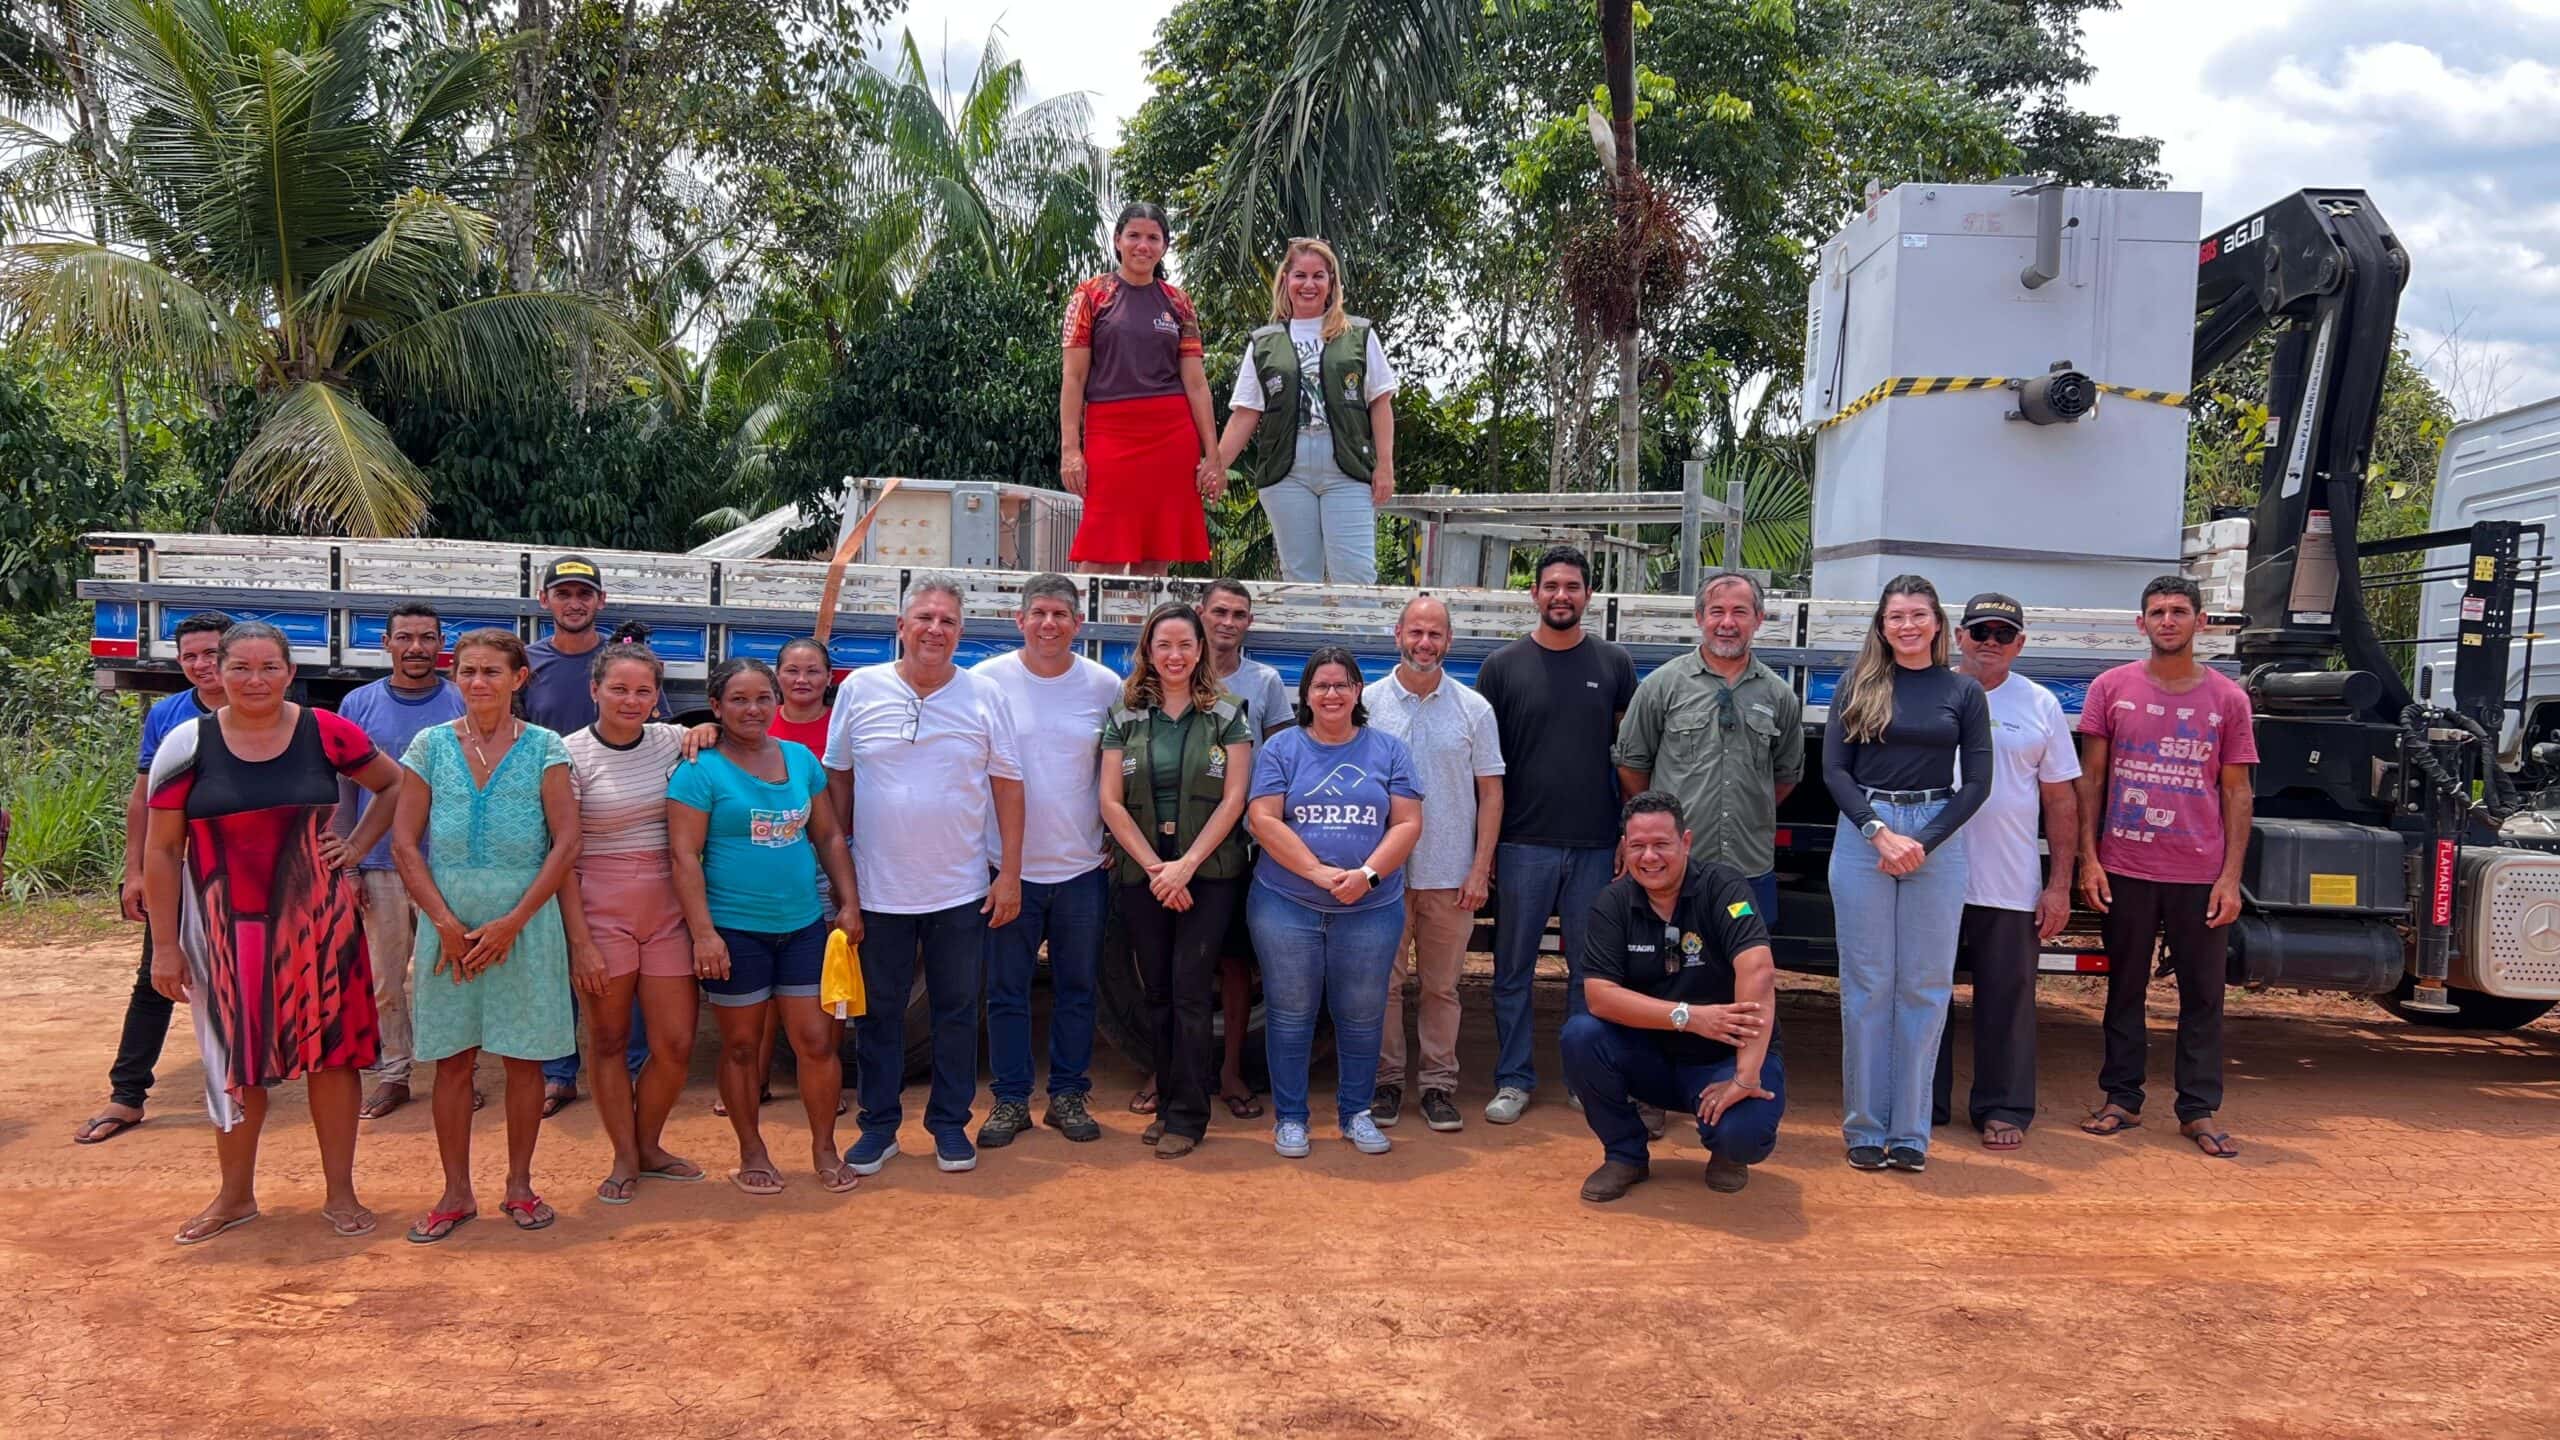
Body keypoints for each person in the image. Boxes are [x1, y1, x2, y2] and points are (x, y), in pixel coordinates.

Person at [139, 622, 407, 1244]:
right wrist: (167, 944)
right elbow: (161, 852)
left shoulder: (326, 730)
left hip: (321, 924)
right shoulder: (187, 743)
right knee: (235, 1061)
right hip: (223, 931)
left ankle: (341, 1194)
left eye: (268, 668)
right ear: (216, 673)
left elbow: (393, 783)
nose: (254, 681)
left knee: (332, 1057)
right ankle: (234, 1197)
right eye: (241, 668)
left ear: (291, 673)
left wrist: (360, 843)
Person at [825, 576, 1025, 1177]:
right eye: (925, 618)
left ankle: (948, 1127)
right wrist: (845, 877)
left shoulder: (985, 696)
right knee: (878, 1013)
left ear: (960, 633)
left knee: (958, 1012)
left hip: (960, 890)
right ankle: (879, 1127)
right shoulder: (860, 689)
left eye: (947, 621)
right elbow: (839, 777)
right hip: (879, 890)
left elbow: (1009, 790)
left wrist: (1009, 873)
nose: (935, 630)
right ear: (902, 627)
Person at [385, 629, 579, 1242]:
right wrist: (443, 924)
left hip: (525, 922)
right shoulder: (430, 746)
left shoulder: (545, 747)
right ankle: (454, 1192)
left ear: (518, 678)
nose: (478, 683)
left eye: (492, 672)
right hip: (450, 929)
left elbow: (566, 842)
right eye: (467, 671)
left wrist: (513, 922)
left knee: (524, 1061)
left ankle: (519, 1185)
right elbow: (404, 844)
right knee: (453, 1062)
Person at [2075, 575, 2257, 1159]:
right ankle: (2121, 1099)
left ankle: (2197, 1109)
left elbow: (2236, 792)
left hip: (2199, 873)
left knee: (2203, 995)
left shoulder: (2228, 699)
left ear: (2201, 622)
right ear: (2141, 623)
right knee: (2123, 988)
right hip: (2125, 865)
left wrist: (2230, 878)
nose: (2168, 620)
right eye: (2157, 612)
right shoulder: (2111, 688)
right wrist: (2090, 858)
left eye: (2180, 611)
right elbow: (2092, 781)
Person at [669, 657, 864, 1196]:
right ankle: (751, 1149)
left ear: (776, 702)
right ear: (715, 707)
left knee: (817, 1042)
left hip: (803, 924)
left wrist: (848, 903)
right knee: (740, 1048)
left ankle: (825, 1146)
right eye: (738, 699)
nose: (752, 709)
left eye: (761, 698)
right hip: (735, 930)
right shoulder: (699, 768)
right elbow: (684, 856)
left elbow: (828, 837)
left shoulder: (801, 760)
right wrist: (704, 933)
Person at [1822, 575, 1993, 1174]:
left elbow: (1977, 782)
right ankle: (1865, 1128)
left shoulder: (1964, 692)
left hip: (1935, 834)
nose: (1908, 626)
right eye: (1896, 616)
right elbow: (1836, 771)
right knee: (1868, 988)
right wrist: (1878, 831)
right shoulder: (1857, 684)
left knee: (1923, 988)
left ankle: (1911, 1133)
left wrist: (1921, 841)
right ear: (1882, 625)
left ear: (1938, 624)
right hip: (1866, 831)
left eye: (1919, 615)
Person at [1475, 545, 1636, 1124]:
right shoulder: (1502, 667)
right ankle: (1514, 1078)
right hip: (1523, 845)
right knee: (1512, 968)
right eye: (1551, 586)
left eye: (1572, 586)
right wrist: (1486, 849)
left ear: (1588, 596)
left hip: (1595, 845)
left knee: (1588, 972)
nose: (1561, 595)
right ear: (1534, 594)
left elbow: (1629, 757)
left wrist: (1625, 831)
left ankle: (1581, 1076)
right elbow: (1486, 770)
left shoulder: (1615, 664)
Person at [1246, 649, 1423, 1158]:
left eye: (1342, 685)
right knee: (1290, 1013)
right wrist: (1317, 872)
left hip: (1371, 906)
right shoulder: (1282, 749)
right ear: (1304, 694)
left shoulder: (1389, 750)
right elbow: (1264, 818)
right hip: (1287, 903)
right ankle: (1292, 1119)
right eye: (1320, 686)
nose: (1331, 694)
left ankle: (1356, 1114)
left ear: (1358, 692)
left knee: (1363, 1014)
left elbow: (1408, 822)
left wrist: (1366, 876)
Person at [1565, 791, 1784, 1202]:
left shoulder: (1726, 889)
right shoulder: (1611, 904)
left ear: (1685, 842)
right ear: (1624, 848)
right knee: (1580, 1035)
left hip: (1722, 1058)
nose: (1649, 857)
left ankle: (1727, 1152)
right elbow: (1599, 996)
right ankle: (1625, 1155)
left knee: (1744, 1134)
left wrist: (1746, 1075)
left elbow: (1758, 971)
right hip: (1652, 1059)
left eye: (1661, 844)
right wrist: (1689, 1016)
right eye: (1637, 846)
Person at [1097, 603, 1254, 1159]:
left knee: (1191, 991)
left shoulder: (1229, 714)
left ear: (1201, 651)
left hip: (1207, 875)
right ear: (1148, 651)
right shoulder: (1125, 715)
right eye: (1163, 645)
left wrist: (1186, 866)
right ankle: (1166, 1103)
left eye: (1185, 645)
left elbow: (1235, 798)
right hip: (1145, 874)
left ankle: (1189, 1115)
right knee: (1157, 993)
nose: (1174, 655)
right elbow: (1110, 802)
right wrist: (1158, 869)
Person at [973, 575, 1122, 1148]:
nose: (1049, 624)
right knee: (1006, 990)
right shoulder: (987, 683)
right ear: (1019, 621)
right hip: (1005, 868)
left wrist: (1113, 833)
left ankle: (1068, 1095)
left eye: (1061, 614)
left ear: (1078, 625)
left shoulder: (1104, 685)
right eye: (1038, 612)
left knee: (1078, 987)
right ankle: (1010, 1101)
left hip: (1083, 868)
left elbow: (1120, 767)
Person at [558, 643, 709, 1202]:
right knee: (609, 1039)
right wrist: (580, 942)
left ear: (657, 697)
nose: (631, 700)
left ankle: (649, 1144)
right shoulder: (568, 754)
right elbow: (564, 854)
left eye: (644, 690)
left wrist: (707, 730)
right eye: (619, 688)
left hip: (668, 905)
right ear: (594, 690)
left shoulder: (673, 740)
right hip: (598, 904)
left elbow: (711, 732)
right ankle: (623, 1155)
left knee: (674, 1042)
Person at [1929, 594, 2081, 1150]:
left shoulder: (2039, 705)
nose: (1989, 641)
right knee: (1927, 994)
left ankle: (2003, 1105)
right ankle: (1926, 1101)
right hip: (1931, 874)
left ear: (2020, 643)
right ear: (1959, 637)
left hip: (2009, 882)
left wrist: (2059, 883)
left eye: (2002, 633)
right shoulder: (1931, 693)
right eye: (1979, 631)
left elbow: (2061, 802)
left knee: (2007, 998)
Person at [77, 611, 231, 1147]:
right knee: (158, 975)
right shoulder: (167, 715)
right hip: (180, 870)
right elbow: (144, 796)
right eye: (189, 656)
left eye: (211, 653)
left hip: (247, 873)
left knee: (261, 978)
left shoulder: (267, 711)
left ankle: (257, 1082)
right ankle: (127, 1094)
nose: (201, 665)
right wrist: (135, 870)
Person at [524, 555, 665, 1117]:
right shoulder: (528, 665)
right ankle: (560, 1072)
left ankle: (631, 1069)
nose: (575, 602)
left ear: (600, 601)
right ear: (545, 600)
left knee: (617, 963)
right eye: (565, 594)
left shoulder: (622, 664)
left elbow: (659, 731)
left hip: (613, 829)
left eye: (585, 593)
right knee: (562, 952)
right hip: (550, 826)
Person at [1362, 596, 1503, 1132]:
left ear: (1449, 641)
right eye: (1416, 632)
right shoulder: (1368, 705)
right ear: (1397, 633)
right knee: (1384, 985)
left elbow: (1491, 794)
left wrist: (1479, 868)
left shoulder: (1474, 709)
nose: (1425, 643)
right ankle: (1387, 1082)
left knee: (1443, 987)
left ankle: (1439, 1086)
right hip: (1383, 875)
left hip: (1450, 875)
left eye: (1435, 635)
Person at [333, 601, 468, 1121]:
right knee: (387, 977)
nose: (417, 648)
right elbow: (344, 788)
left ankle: (457, 1074)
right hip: (381, 863)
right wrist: (349, 860)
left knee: (451, 974)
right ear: (386, 644)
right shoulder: (358, 704)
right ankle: (395, 1073)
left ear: (441, 646)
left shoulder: (464, 700)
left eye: (428, 638)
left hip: (450, 865)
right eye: (405, 637)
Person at [1615, 570, 1805, 924]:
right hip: (1676, 866)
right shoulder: (1662, 686)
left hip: (1748, 866)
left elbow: (1784, 776)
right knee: (1671, 966)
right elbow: (1632, 765)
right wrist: (1665, 824)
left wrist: (1746, 806)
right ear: (1699, 617)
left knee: (1746, 965)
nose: (1727, 623)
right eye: (1717, 611)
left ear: (1759, 619)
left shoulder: (1778, 695)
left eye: (1741, 612)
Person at [1214, 237, 1400, 584]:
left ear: (1332, 283)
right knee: (1300, 577)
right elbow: (1246, 413)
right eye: (1300, 275)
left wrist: (1385, 466)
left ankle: (1357, 639)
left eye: (1319, 276)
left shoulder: (1359, 334)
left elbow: (1380, 401)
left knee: (1357, 575)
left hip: (1346, 466)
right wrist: (1216, 466)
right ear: (1286, 280)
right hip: (1287, 469)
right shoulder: (1265, 341)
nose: (1309, 285)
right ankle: (1308, 641)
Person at [1060, 201, 1221, 575]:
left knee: (1155, 554)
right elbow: (1073, 378)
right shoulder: (1090, 296)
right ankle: (1091, 635)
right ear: (1118, 241)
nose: (1142, 246)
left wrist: (1211, 455)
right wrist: (1071, 449)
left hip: (1171, 434)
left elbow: (1196, 383)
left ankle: (1148, 635)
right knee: (1102, 553)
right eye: (1134, 236)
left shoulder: (1179, 303)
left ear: (1164, 246)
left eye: (1153, 238)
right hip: (1110, 431)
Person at [719, 635, 838, 1118]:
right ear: (777, 678)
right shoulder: (754, 725)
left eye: (813, 670)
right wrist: (704, 730)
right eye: (792, 670)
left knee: (817, 988)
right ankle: (758, 1081)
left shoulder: (837, 726)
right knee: (759, 998)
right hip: (754, 887)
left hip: (819, 866)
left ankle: (827, 1090)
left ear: (830, 679)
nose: (803, 679)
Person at [1187, 577, 1293, 1118]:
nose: (1228, 623)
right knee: (1168, 961)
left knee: (1232, 962)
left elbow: (1281, 755)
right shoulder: (1174, 670)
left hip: (1241, 844)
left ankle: (1229, 1072)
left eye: (1239, 615)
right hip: (1179, 841)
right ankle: (1170, 1078)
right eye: (1220, 612)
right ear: (1200, 613)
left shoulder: (1266, 681)